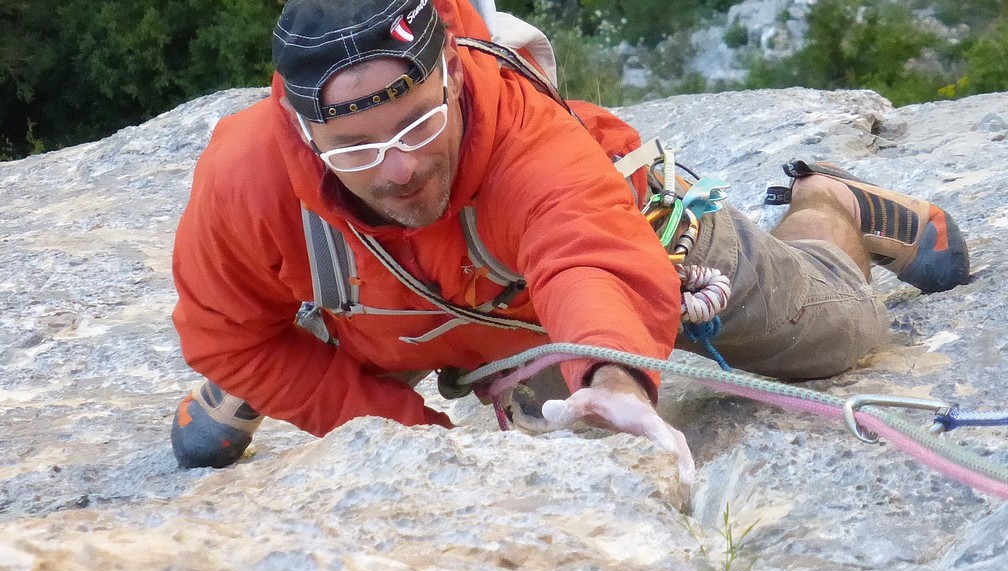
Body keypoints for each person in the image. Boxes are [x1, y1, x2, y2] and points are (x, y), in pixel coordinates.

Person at [170, 0, 969, 479]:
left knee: (842, 333)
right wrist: (406, 439)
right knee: (275, 327)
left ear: (451, 74)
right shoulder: (247, 176)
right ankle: (292, 353)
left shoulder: (520, 132)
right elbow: (222, 331)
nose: (402, 167)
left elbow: (585, 251)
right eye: (356, 149)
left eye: (419, 120)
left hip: (617, 251)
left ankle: (829, 205)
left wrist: (616, 378)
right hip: (403, 308)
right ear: (302, 134)